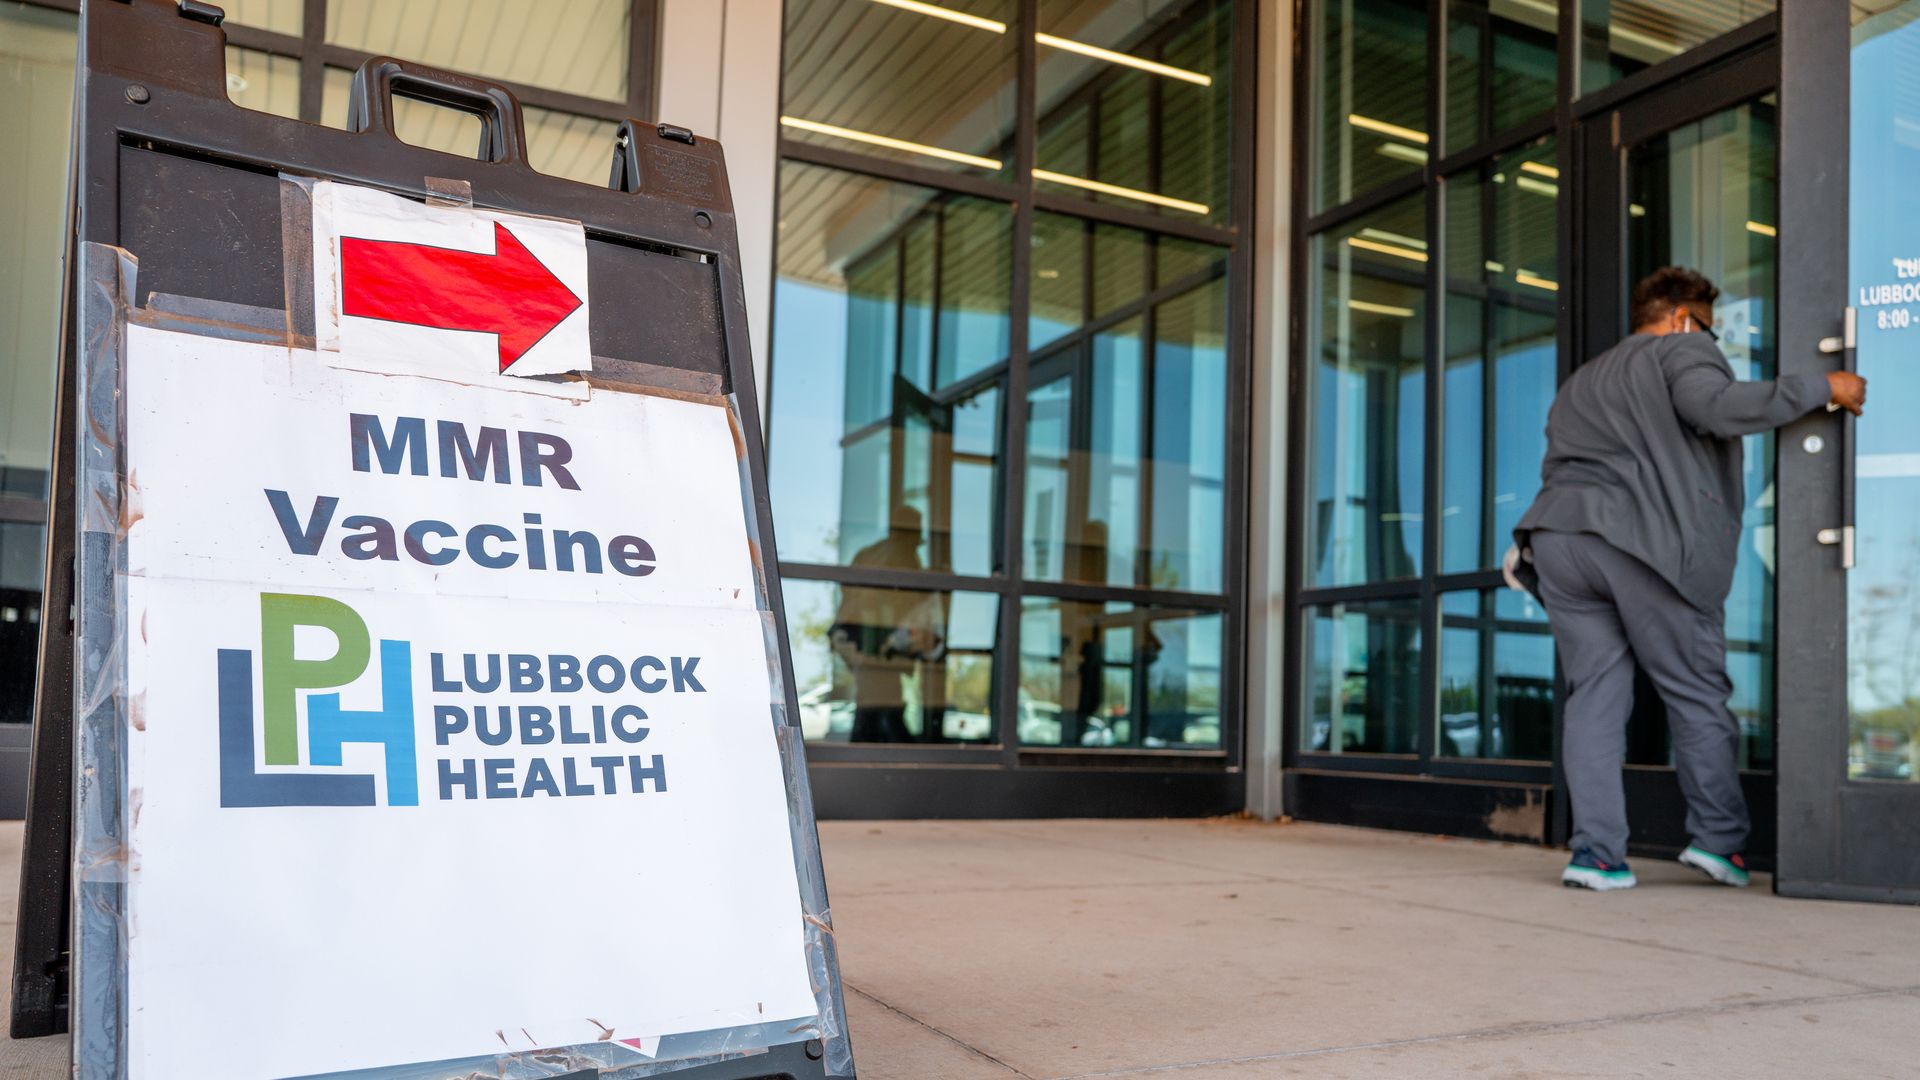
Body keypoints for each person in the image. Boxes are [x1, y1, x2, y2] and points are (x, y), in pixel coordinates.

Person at [1509, 267, 1867, 891]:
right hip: (1640, 543)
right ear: (1682, 318)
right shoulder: (1683, 349)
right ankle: (1719, 842)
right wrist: (1823, 386)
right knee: (1696, 693)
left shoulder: (1582, 381)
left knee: (1593, 697)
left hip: (1559, 543)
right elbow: (1716, 406)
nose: (1715, 342)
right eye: (1711, 328)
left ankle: (1596, 855)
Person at [829, 508, 947, 743]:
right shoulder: (901, 556)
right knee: (882, 709)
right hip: (873, 645)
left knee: (873, 709)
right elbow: (904, 603)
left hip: (859, 642)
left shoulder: (869, 554)